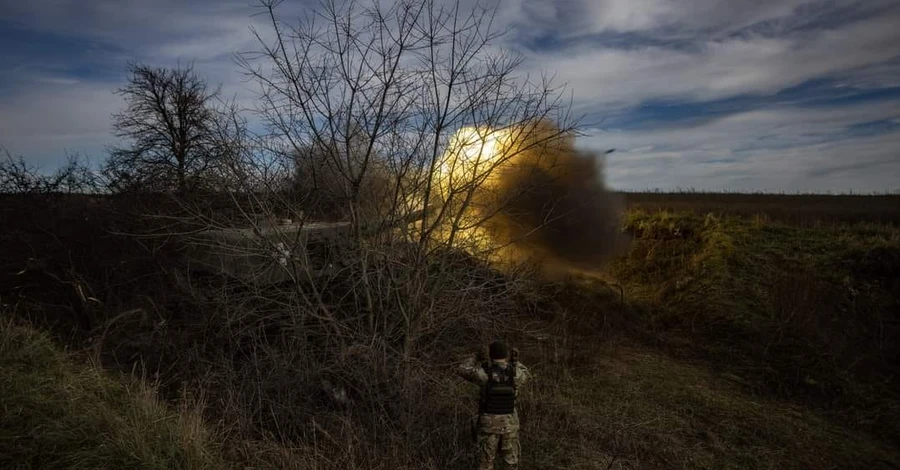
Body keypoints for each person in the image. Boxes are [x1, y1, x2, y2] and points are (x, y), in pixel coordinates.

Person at [458, 341, 532, 470]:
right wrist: (515, 362)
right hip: (509, 425)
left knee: (485, 465)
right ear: (506, 355)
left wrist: (476, 357)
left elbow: (463, 369)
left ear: (491, 355)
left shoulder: (484, 374)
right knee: (510, 464)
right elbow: (527, 373)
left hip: (488, 425)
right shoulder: (515, 373)